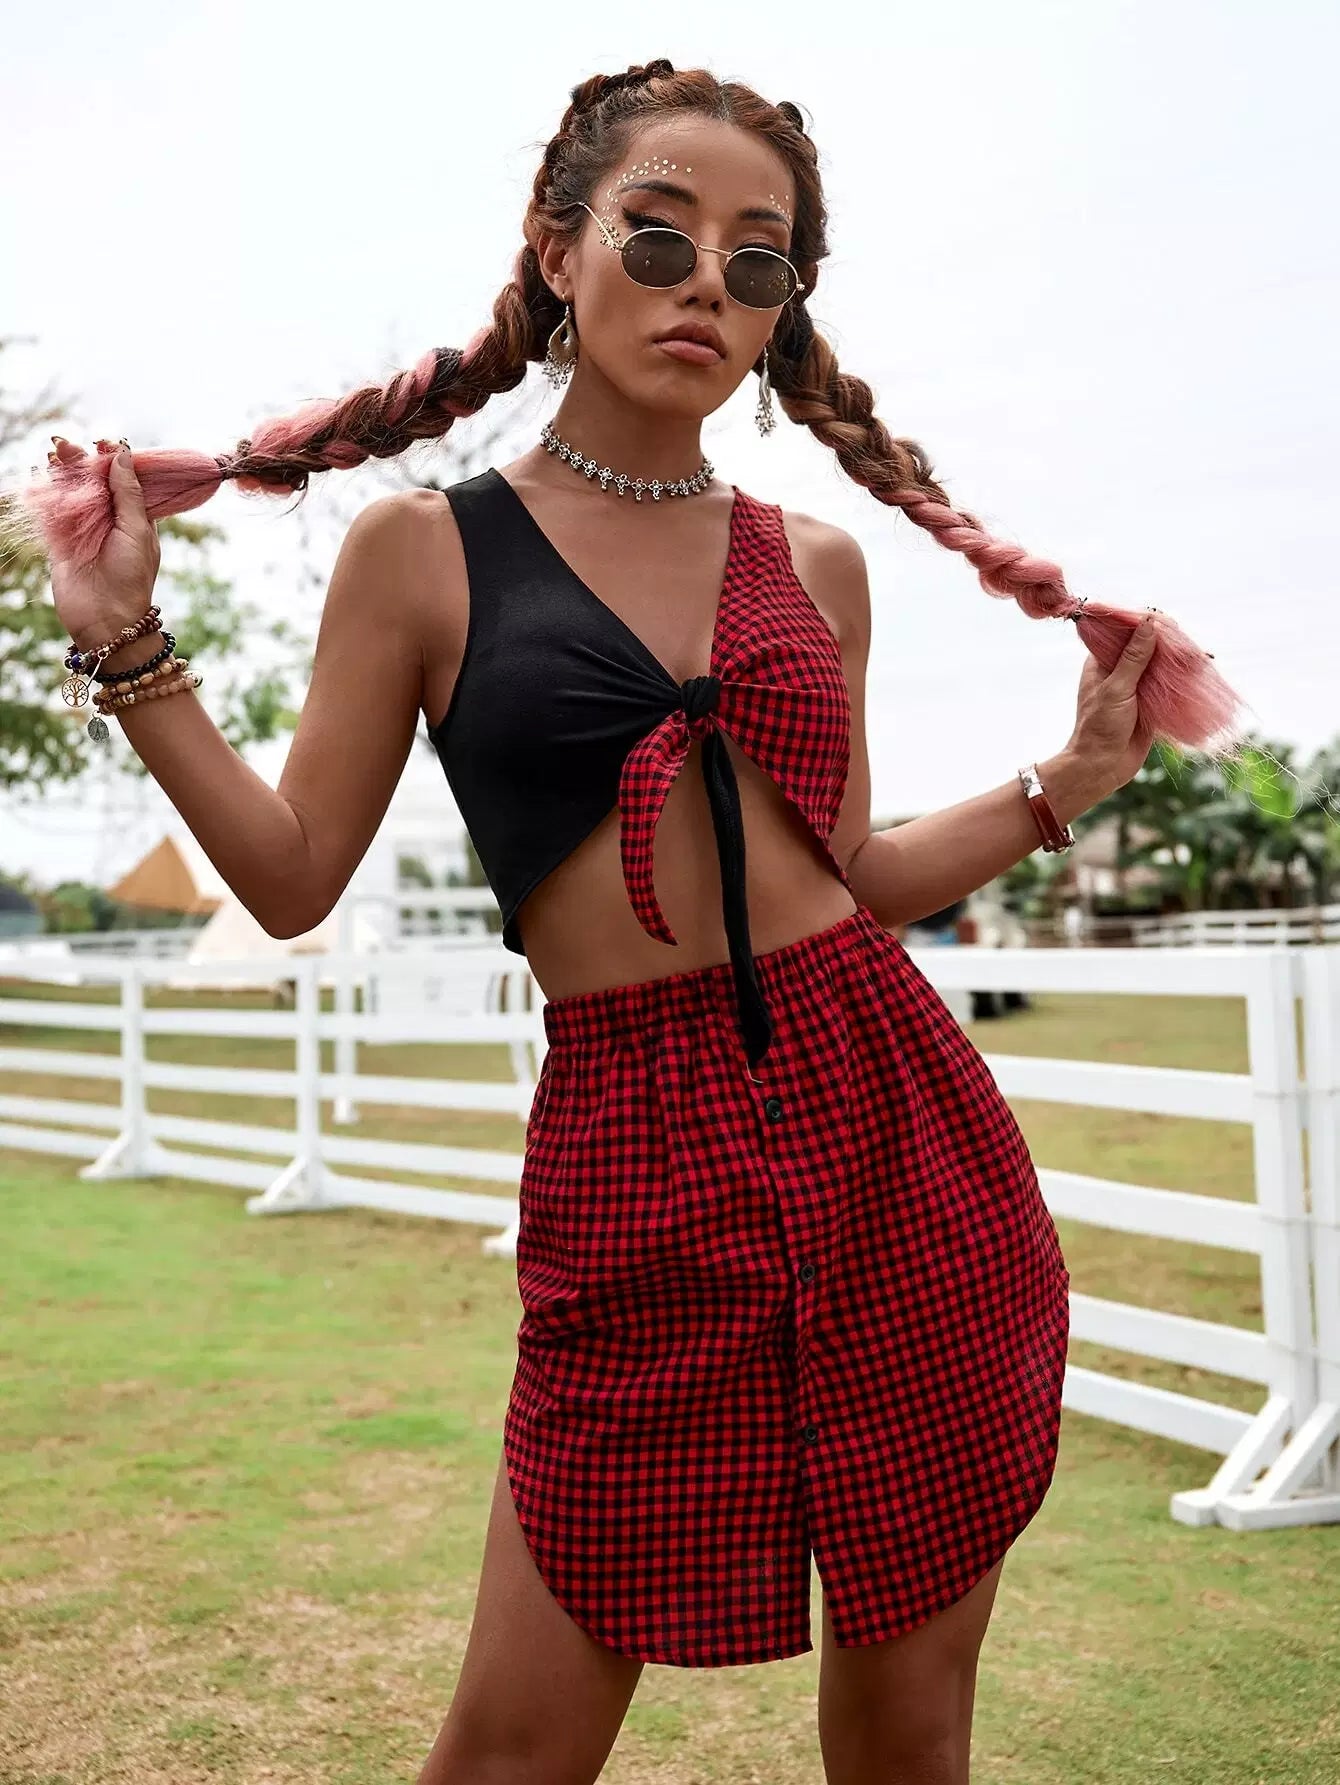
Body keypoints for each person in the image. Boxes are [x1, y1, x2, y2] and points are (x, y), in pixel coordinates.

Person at [21, 57, 1246, 1785]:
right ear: (559, 247)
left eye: (759, 261)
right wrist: (124, 644)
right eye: (659, 236)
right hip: (632, 1151)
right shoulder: (423, 552)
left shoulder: (817, 565)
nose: (705, 287)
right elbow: (292, 876)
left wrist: (1076, 777)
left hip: (900, 1135)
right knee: (514, 1743)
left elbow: (850, 870)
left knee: (912, 1721)